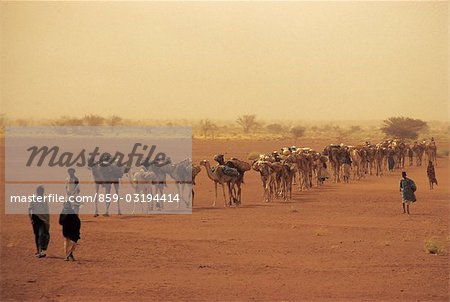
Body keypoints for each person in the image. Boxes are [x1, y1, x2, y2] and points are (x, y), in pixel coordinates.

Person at [28, 185, 50, 258]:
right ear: (37, 192)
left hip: (42, 220)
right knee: (37, 235)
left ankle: (41, 252)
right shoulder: (34, 199)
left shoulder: (44, 200)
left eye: (42, 192)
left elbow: (47, 211)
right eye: (40, 191)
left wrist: (47, 221)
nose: (41, 193)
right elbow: (29, 209)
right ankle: (38, 251)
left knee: (41, 235)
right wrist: (31, 219)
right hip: (35, 219)